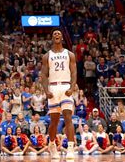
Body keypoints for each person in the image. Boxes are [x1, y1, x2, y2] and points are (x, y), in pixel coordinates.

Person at [42, 31, 78, 160]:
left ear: (62, 37)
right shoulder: (47, 56)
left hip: (65, 86)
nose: (57, 35)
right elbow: (44, 75)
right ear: (52, 37)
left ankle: (70, 147)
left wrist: (72, 87)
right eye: (54, 33)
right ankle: (52, 144)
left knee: (68, 117)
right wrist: (46, 91)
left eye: (59, 33)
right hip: (53, 87)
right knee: (54, 121)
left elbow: (74, 72)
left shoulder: (69, 54)